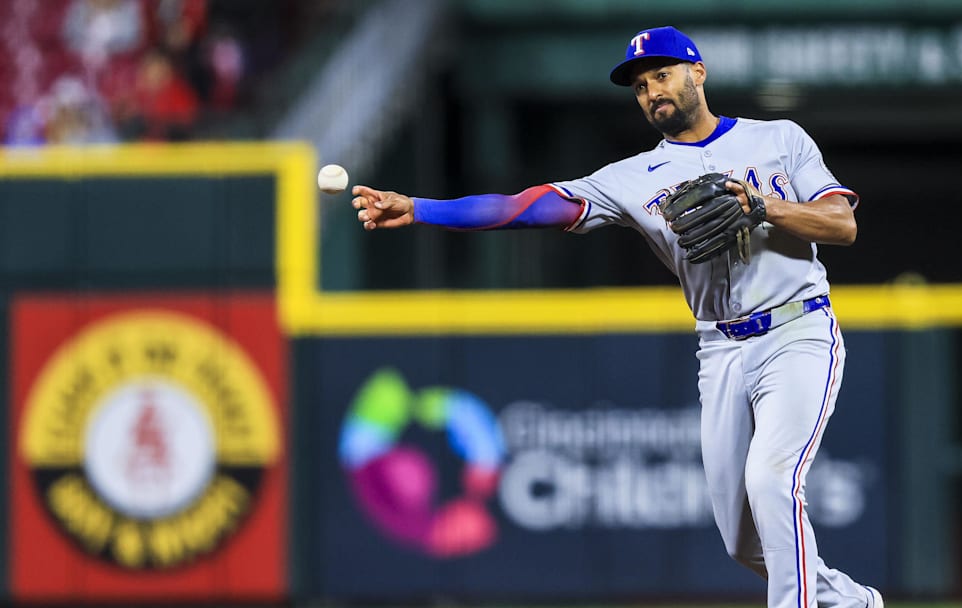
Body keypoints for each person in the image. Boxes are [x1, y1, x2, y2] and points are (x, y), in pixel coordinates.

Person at [351, 25, 883, 608]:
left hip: (796, 331)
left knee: (773, 482)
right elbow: (520, 208)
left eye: (662, 74)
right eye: (639, 85)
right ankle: (852, 602)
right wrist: (422, 208)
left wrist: (763, 206)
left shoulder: (779, 138)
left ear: (697, 73)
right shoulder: (628, 179)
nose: (652, 90)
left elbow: (843, 225)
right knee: (742, 539)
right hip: (722, 349)